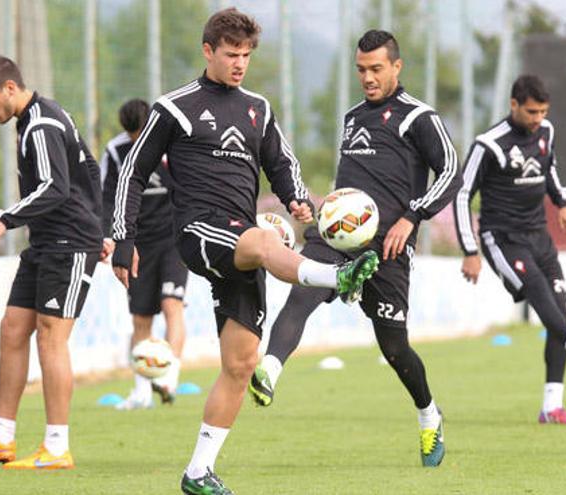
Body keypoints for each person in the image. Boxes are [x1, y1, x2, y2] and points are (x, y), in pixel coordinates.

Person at [111, 9, 378, 493]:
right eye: (231, 54)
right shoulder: (174, 107)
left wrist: (298, 197)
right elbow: (131, 173)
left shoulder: (258, 108)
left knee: (240, 363)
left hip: (242, 241)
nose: (239, 64)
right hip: (199, 232)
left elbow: (283, 164)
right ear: (208, 51)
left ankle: (198, 472)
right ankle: (335, 277)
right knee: (262, 238)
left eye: (246, 56)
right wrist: (123, 238)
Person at [249, 30, 462, 468]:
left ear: (396, 67)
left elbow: (451, 171)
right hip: (337, 236)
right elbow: (353, 181)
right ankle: (269, 368)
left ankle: (428, 414)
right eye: (361, 69)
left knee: (395, 349)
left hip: (388, 248)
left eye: (376, 69)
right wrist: (319, 209)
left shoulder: (418, 118)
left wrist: (413, 215)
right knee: (303, 291)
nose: (368, 77)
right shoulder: (351, 117)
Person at [0, 56, 104, 471]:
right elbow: (89, 167)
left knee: (51, 338)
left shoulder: (41, 123)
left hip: (69, 242)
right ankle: (0, 437)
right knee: (13, 329)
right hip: (48, 240)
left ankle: (56, 446)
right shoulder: (35, 118)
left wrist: (5, 217)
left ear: (11, 88)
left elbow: (56, 187)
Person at [454, 74, 566, 425]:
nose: (537, 118)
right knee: (539, 293)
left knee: (558, 308)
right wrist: (470, 249)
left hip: (539, 236)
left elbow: (550, 169)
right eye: (531, 112)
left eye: (543, 111)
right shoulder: (489, 144)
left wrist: (565, 204)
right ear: (513, 105)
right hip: (503, 238)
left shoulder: (546, 131)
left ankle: (551, 407)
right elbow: (462, 194)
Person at [100, 99, 187, 409]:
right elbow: (107, 199)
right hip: (138, 244)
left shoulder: (172, 144)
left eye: (141, 134)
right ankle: (140, 391)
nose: (138, 142)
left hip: (174, 240)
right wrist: (109, 236)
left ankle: (169, 378)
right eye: (132, 135)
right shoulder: (115, 151)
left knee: (172, 305)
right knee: (141, 318)